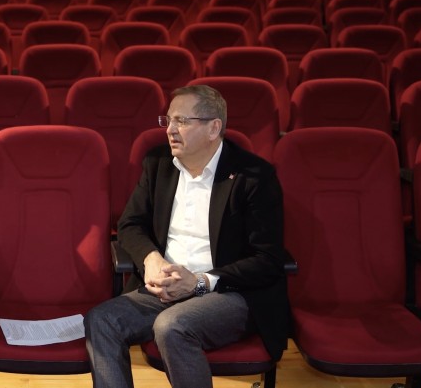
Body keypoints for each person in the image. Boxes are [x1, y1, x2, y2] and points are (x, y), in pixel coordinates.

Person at [84, 85, 289, 388]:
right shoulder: (158, 164)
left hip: (228, 293)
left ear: (213, 128)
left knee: (172, 326)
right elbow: (130, 224)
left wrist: (200, 281)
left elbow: (267, 259)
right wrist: (151, 260)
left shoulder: (253, 176)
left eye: (181, 121)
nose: (170, 130)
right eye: (168, 120)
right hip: (165, 288)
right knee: (101, 320)